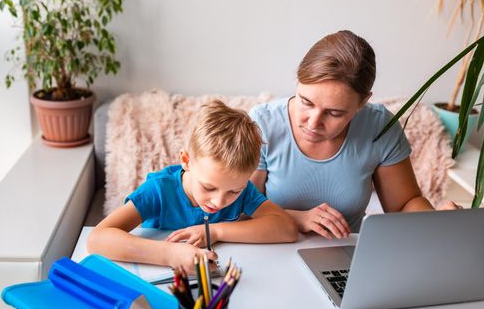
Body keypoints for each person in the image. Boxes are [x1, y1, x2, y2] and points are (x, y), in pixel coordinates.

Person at [248, 30, 459, 239]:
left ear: (362, 103)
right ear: (298, 81)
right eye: (306, 102)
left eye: (335, 113)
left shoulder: (379, 126)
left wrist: (436, 221)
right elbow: (236, 208)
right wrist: (297, 218)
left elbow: (404, 204)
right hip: (273, 248)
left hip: (348, 255)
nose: (313, 122)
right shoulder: (263, 124)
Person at [88, 100, 298, 273]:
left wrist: (215, 232)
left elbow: (286, 229)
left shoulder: (242, 190)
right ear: (186, 161)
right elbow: (98, 239)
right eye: (208, 187)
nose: (219, 201)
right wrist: (170, 254)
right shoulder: (159, 190)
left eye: (234, 191)